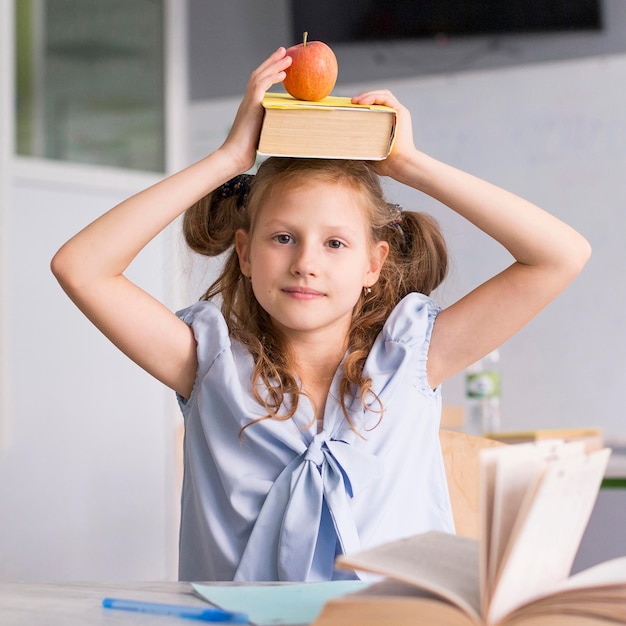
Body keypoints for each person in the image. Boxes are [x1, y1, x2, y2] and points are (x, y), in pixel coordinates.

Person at [50, 47, 591, 582]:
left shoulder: (411, 357)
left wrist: (411, 165)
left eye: (335, 243)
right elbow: (81, 267)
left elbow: (560, 255)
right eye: (282, 238)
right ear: (244, 252)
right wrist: (229, 159)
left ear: (373, 264)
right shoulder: (206, 360)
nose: (305, 263)